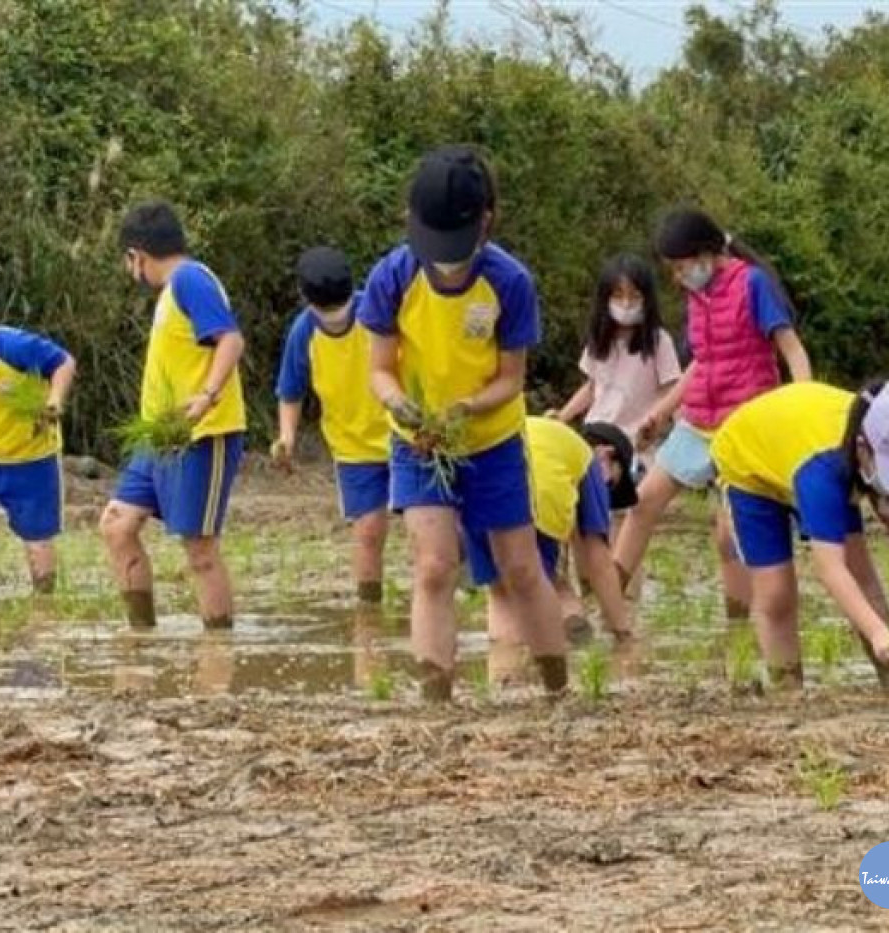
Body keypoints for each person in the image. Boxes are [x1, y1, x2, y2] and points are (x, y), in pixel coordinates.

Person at [359, 145, 567, 702]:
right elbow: (379, 370)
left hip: (491, 439)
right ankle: (435, 696)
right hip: (420, 442)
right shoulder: (392, 276)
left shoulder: (509, 282)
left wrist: (468, 408)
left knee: (519, 566)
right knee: (433, 566)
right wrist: (401, 405)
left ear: (485, 223)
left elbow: (511, 379)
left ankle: (558, 688)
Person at [612, 208, 813, 620]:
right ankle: (610, 605)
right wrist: (659, 414)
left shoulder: (752, 284)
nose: (678, 276)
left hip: (743, 423)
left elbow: (791, 349)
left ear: (705, 253)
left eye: (681, 266)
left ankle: (738, 624)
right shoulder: (697, 295)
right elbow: (701, 362)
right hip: (699, 419)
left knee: (728, 533)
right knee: (642, 502)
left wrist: (803, 406)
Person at [711, 380, 889, 689]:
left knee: (863, 572)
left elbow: (888, 499)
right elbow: (830, 569)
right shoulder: (823, 474)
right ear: (862, 447)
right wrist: (879, 634)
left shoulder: (872, 435)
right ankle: (787, 687)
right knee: (777, 591)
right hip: (750, 468)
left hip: (801, 446)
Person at [100, 201, 247, 630]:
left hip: (202, 434)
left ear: (136, 255)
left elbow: (230, 341)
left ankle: (219, 645)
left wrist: (206, 396)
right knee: (116, 525)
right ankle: (142, 633)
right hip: (160, 438)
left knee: (199, 549)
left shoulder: (190, 280)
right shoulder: (173, 290)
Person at [273, 246, 390, 604]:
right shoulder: (303, 331)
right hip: (352, 447)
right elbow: (290, 391)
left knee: (429, 527)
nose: (333, 316)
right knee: (368, 533)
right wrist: (287, 438)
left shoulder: (378, 309)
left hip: (405, 437)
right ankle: (368, 611)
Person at [477, 417, 637, 659]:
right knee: (548, 582)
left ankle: (503, 678)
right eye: (612, 484)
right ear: (606, 454)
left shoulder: (545, 433)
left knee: (501, 591)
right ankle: (569, 619)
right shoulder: (587, 460)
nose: (608, 494)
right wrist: (623, 632)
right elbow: (599, 562)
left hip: (479, 486)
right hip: (537, 497)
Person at [0, 323, 76, 593]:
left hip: (31, 459)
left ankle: (44, 607)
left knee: (38, 541)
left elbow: (64, 362)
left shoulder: (15, 347)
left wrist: (55, 400)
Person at [552, 253, 682, 455]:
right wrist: (561, 418)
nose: (627, 303)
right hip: (595, 436)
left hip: (636, 444)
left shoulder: (659, 341)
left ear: (647, 299)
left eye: (635, 296)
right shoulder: (600, 338)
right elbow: (592, 386)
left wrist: (682, 435)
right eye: (618, 295)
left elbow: (673, 391)